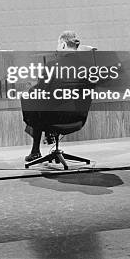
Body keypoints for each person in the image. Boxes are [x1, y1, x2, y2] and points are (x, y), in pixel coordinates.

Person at [24, 31, 97, 162]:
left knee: (31, 99)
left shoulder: (52, 66)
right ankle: (42, 142)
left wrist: (30, 89)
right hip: (78, 118)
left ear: (63, 45)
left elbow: (40, 92)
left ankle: (36, 149)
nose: (56, 49)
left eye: (57, 45)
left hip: (53, 118)